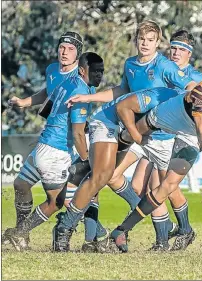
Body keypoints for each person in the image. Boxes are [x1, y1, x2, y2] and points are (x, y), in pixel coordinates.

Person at [65, 21, 198, 249]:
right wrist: (87, 98)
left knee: (164, 187)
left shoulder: (165, 67)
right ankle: (137, 224)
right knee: (111, 175)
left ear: (158, 43)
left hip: (161, 135)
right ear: (136, 41)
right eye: (141, 39)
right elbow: (121, 91)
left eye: (150, 40)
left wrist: (197, 102)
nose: (145, 44)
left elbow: (193, 86)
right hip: (137, 131)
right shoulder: (130, 64)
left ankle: (169, 234)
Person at [110, 51, 202, 252]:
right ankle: (101, 158)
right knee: (132, 135)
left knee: (168, 185)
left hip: (191, 135)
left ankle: (121, 231)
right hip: (172, 116)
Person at [52, 86, 183, 252]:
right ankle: (63, 228)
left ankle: (95, 235)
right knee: (101, 177)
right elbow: (122, 107)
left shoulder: (188, 108)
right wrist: (136, 136)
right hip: (108, 122)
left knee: (106, 176)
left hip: (125, 130)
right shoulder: (166, 98)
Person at [2, 51, 95, 252]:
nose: (63, 52)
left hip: (45, 144)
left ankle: (92, 235)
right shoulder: (59, 75)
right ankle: (20, 234)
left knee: (21, 183)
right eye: (62, 47)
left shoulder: (73, 82)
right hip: (57, 149)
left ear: (78, 57)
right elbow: (75, 128)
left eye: (69, 49)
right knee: (58, 201)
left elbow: (51, 106)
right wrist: (87, 159)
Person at [63, 52, 109, 253]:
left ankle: (92, 238)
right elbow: (77, 133)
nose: (100, 76)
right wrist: (85, 159)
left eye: (102, 72)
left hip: (56, 144)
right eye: (96, 71)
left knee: (90, 190)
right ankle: (95, 233)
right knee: (62, 197)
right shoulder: (81, 89)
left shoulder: (78, 86)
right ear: (83, 70)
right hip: (62, 148)